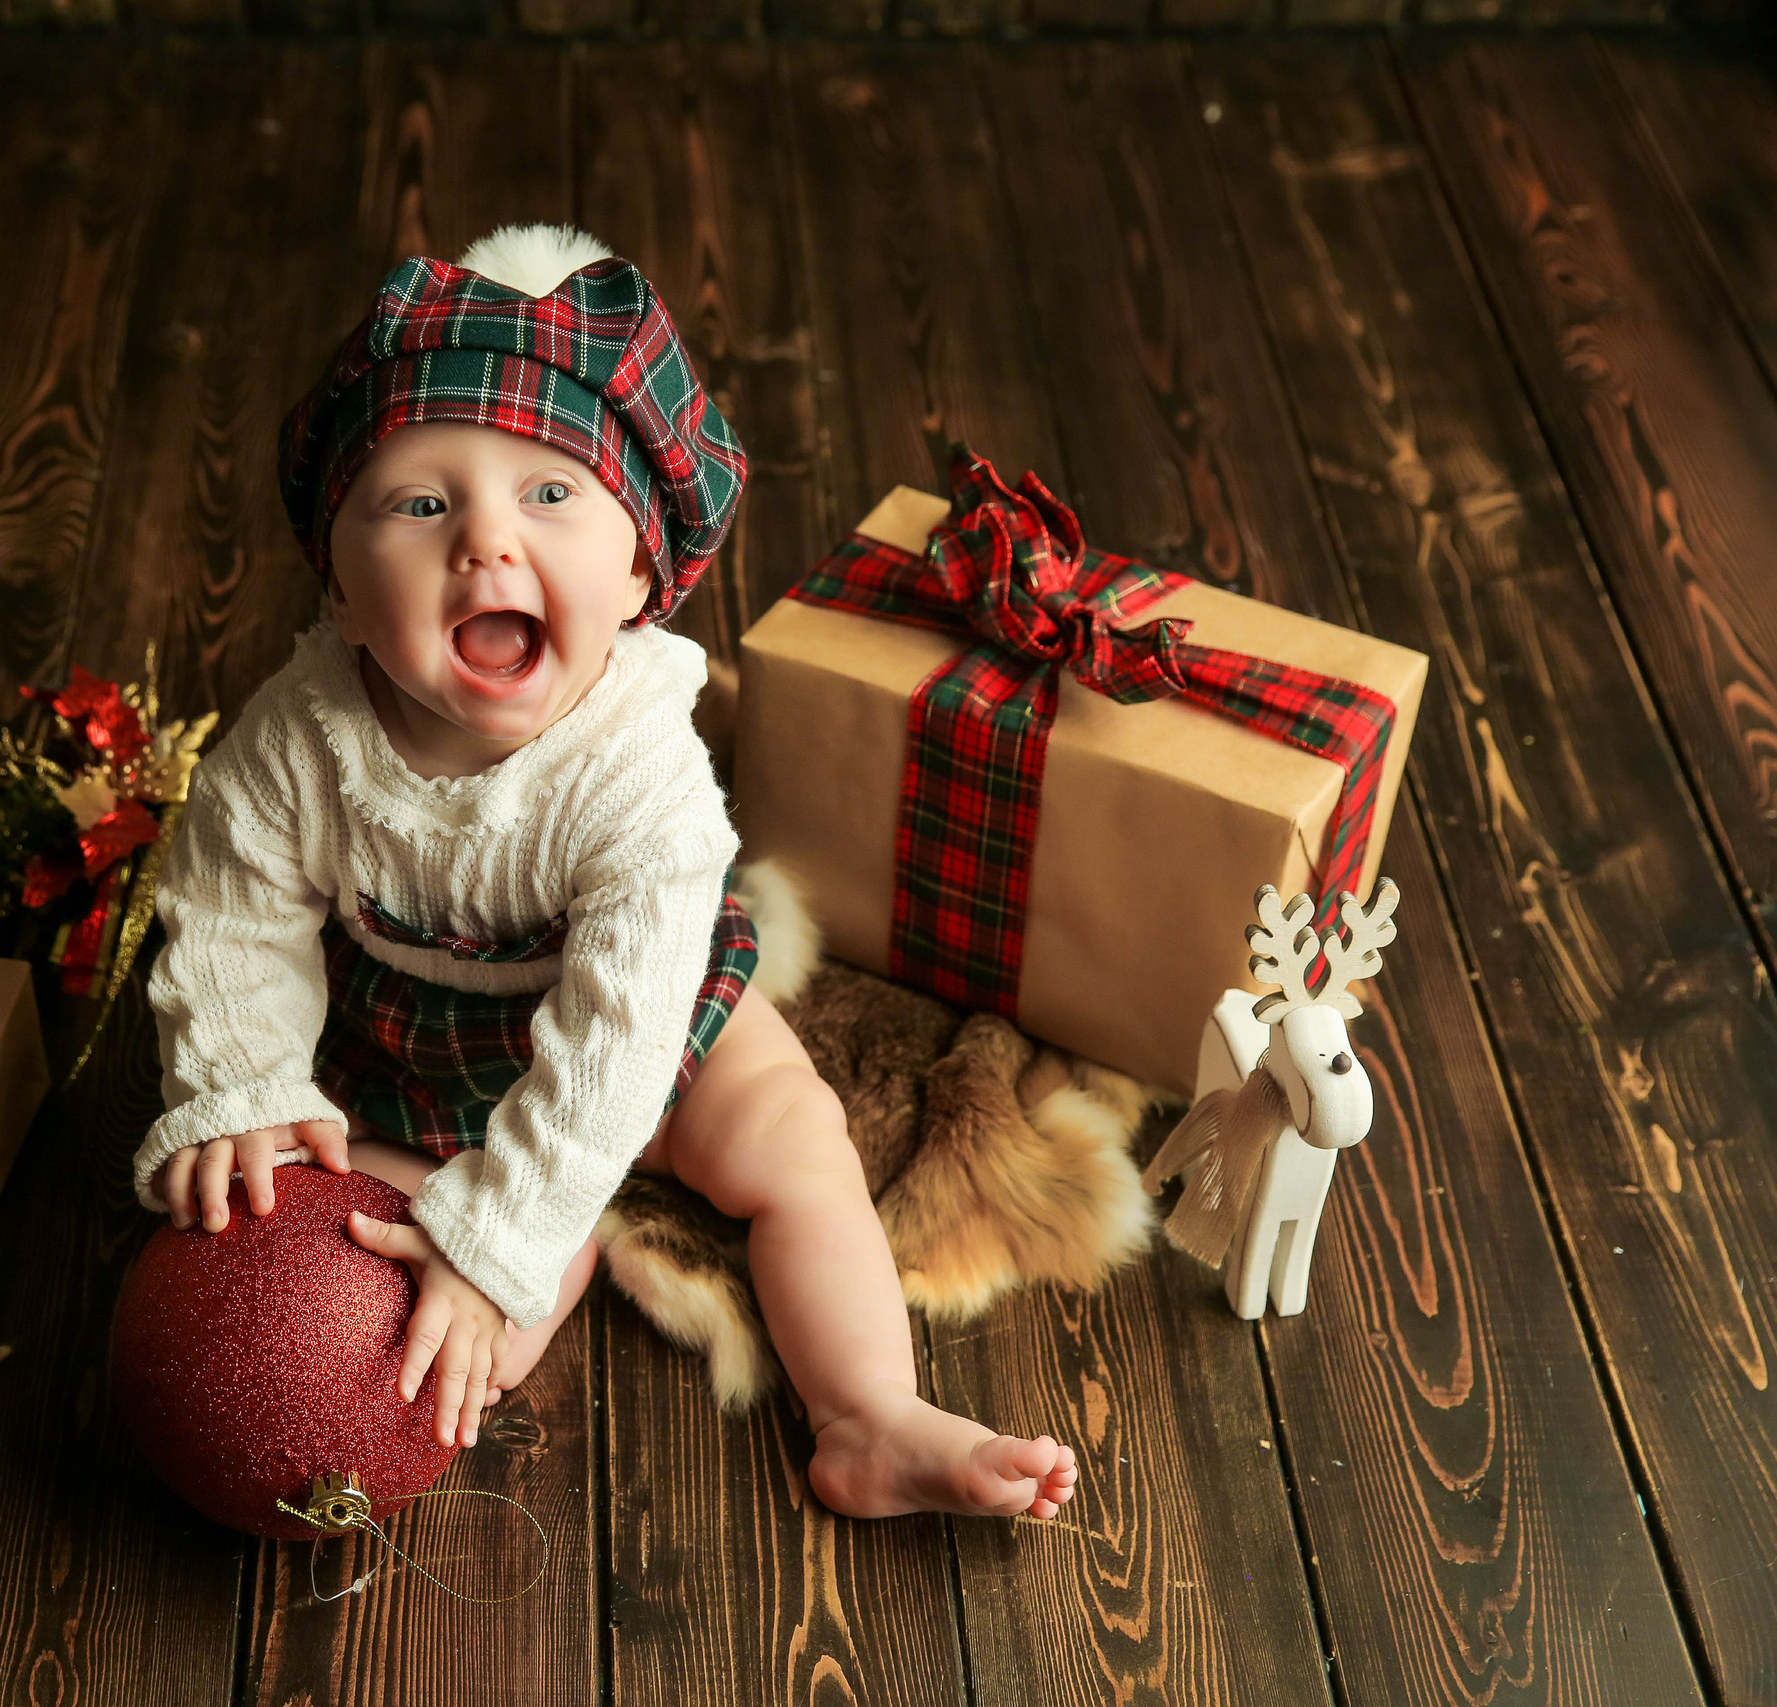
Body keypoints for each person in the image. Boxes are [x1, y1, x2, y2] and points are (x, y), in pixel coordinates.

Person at [129, 225, 1077, 1522]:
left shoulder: (640, 771)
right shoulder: (300, 739)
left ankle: (871, 1416)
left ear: (642, 572)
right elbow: (230, 915)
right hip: (407, 1033)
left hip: (641, 1012)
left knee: (795, 1144)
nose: (485, 543)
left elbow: (624, 1026)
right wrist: (240, 1082)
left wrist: (508, 1216)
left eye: (551, 495)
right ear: (340, 588)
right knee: (389, 1259)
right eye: (420, 503)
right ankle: (538, 1243)